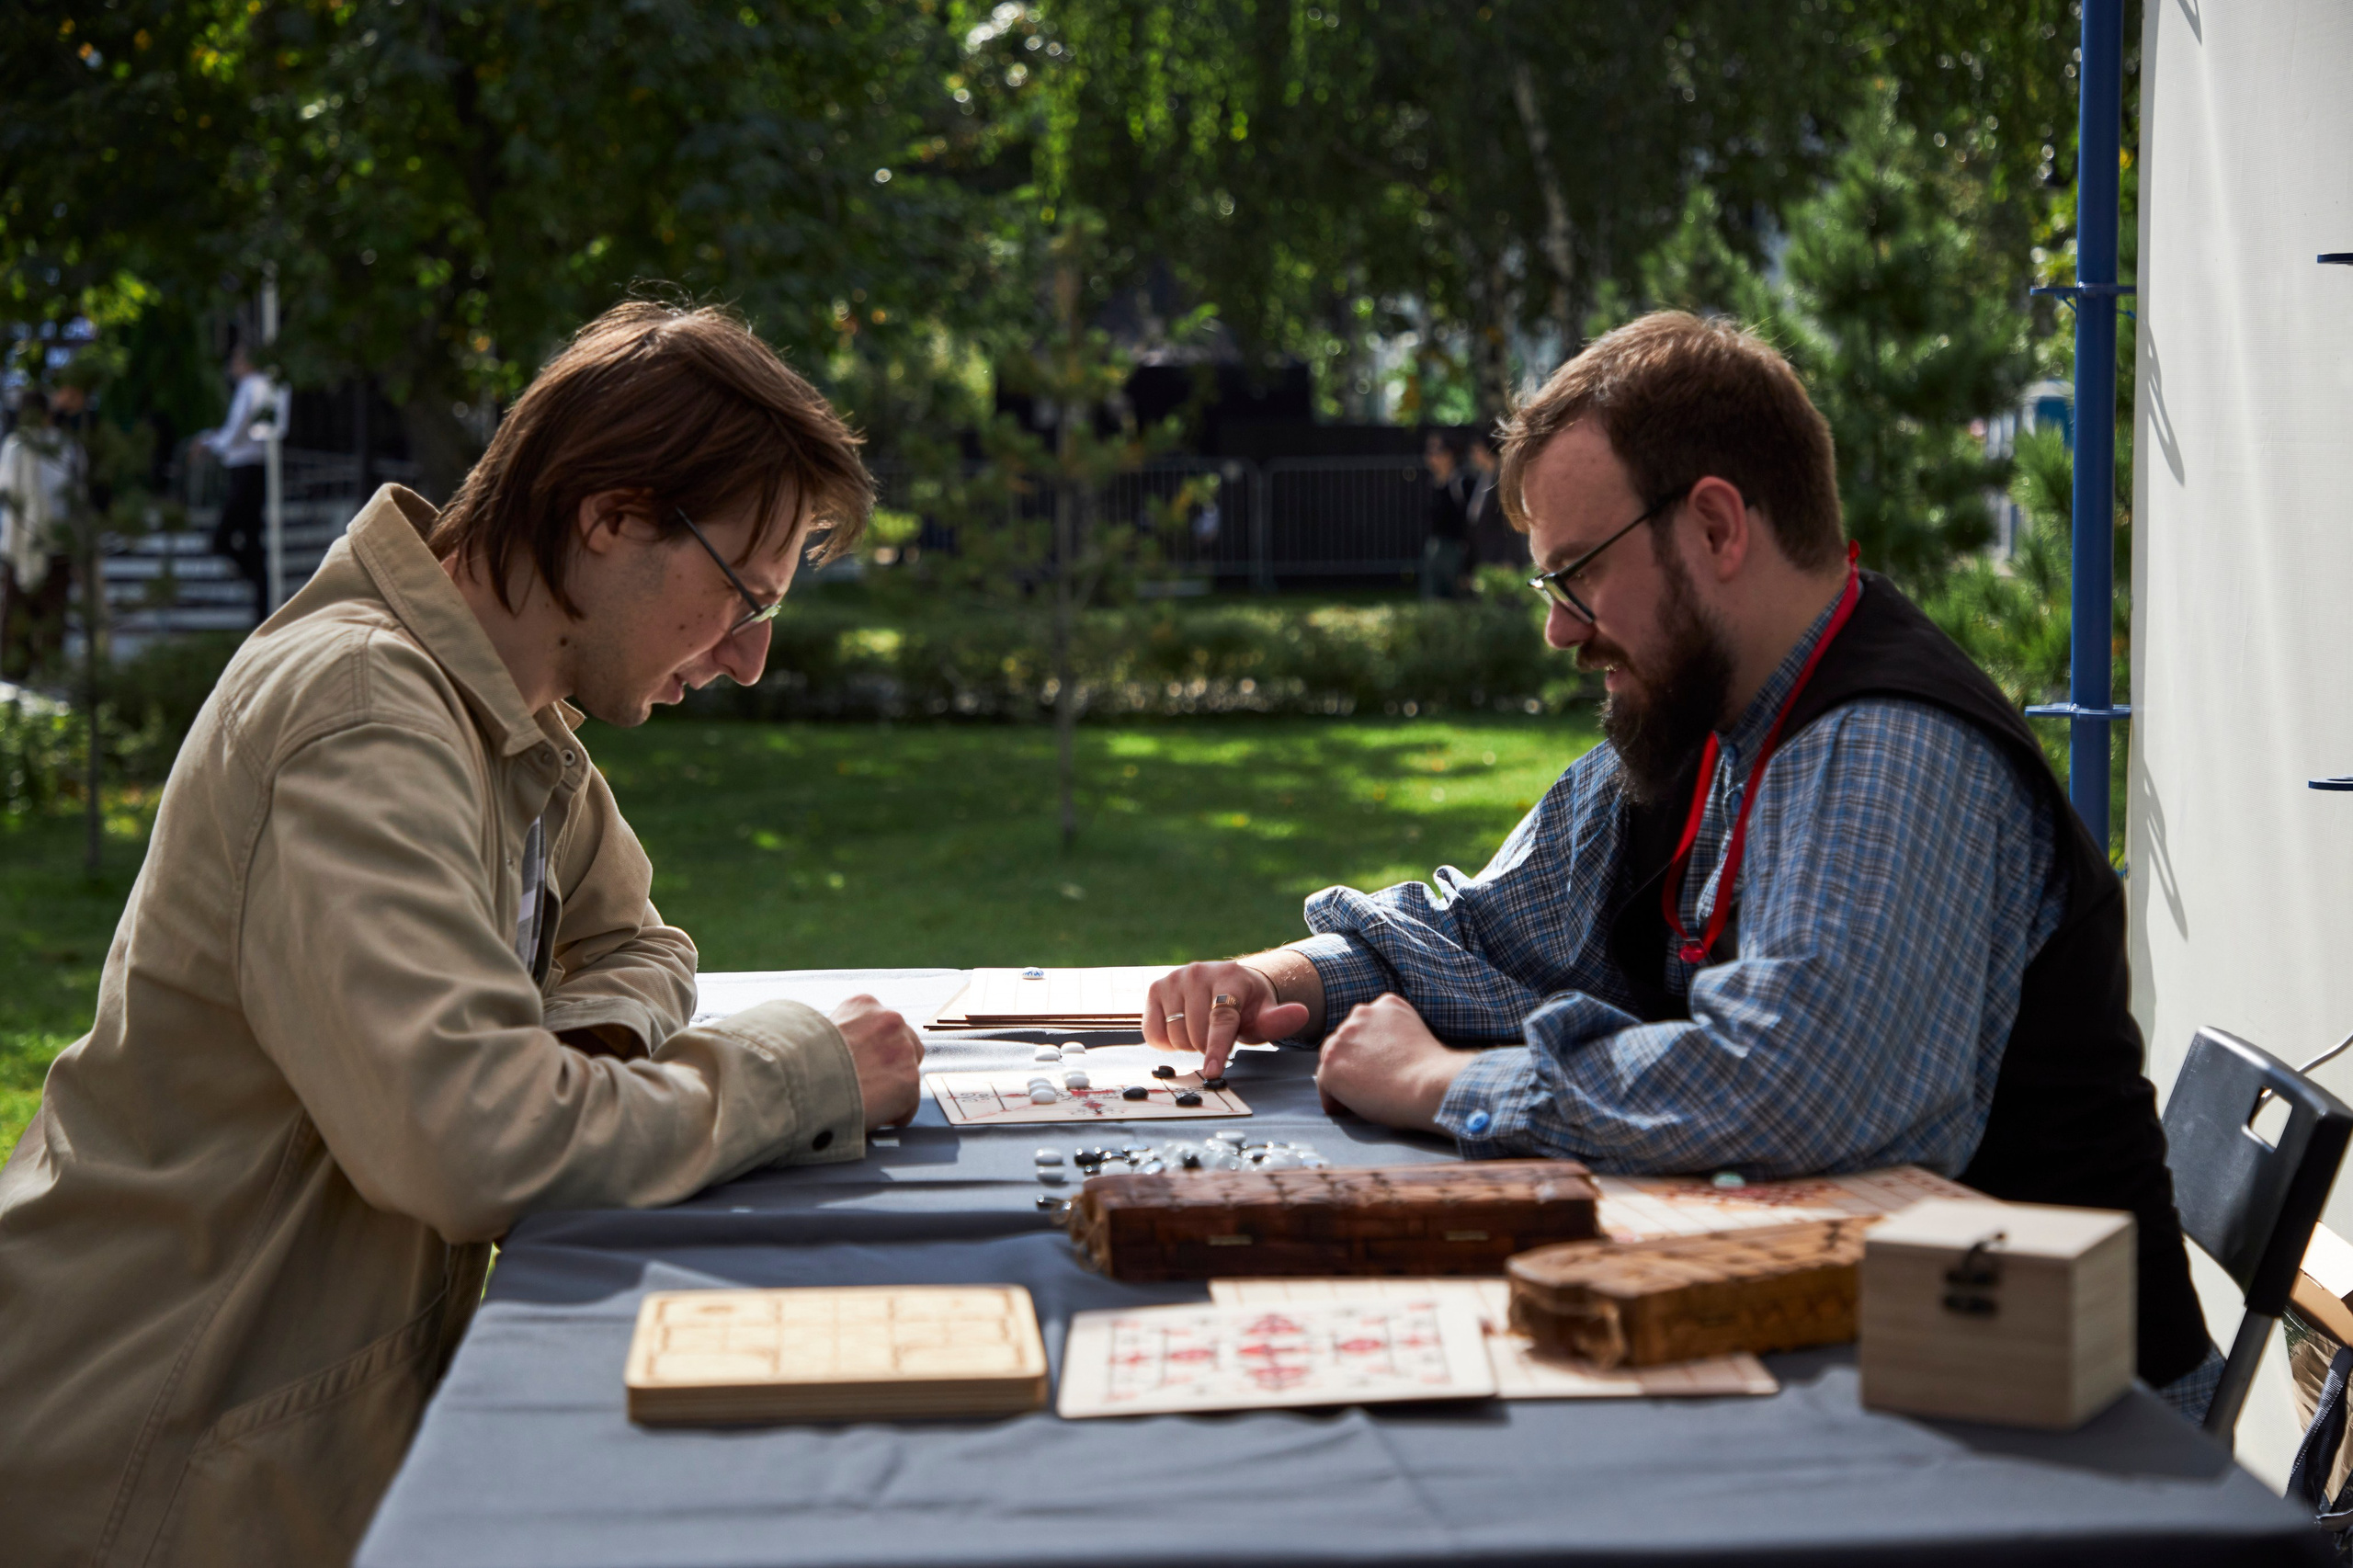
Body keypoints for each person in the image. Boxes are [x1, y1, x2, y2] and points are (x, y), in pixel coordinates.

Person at [1146, 311, 2218, 1417]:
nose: (1561, 632)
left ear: (1713, 526)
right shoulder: (1713, 721)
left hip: (2068, 1431)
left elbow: (1797, 1088)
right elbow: (1486, 932)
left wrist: (1446, 1085)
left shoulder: (1888, 743)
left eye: (1576, 575)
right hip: (1873, 1367)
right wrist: (1285, 979)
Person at [0, 301, 927, 1565]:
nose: (751, 658)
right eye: (741, 594)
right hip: (150, 1473)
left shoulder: (507, 717)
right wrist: (800, 1069)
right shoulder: (364, 712)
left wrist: (571, 1057)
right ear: (611, 515)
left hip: (258, 1450)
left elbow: (647, 946)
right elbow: (478, 1145)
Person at [0, 388, 80, 679]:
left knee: (42, 614)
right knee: (30, 615)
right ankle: (26, 673)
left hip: (48, 545)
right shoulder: (19, 447)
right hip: (37, 543)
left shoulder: (57, 447)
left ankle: (34, 672)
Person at [199, 341, 278, 619]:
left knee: (224, 536)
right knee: (251, 538)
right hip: (250, 466)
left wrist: (211, 443)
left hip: (246, 467)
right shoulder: (262, 386)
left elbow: (237, 431)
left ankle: (263, 588)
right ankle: (263, 598)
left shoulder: (252, 386)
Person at [1419, 429, 1471, 599]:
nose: (1431, 457)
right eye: (1429, 451)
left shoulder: (1461, 484)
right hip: (1434, 547)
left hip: (1455, 551)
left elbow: (1469, 522)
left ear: (1450, 455)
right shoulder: (1431, 484)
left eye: (1437, 451)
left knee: (1456, 600)